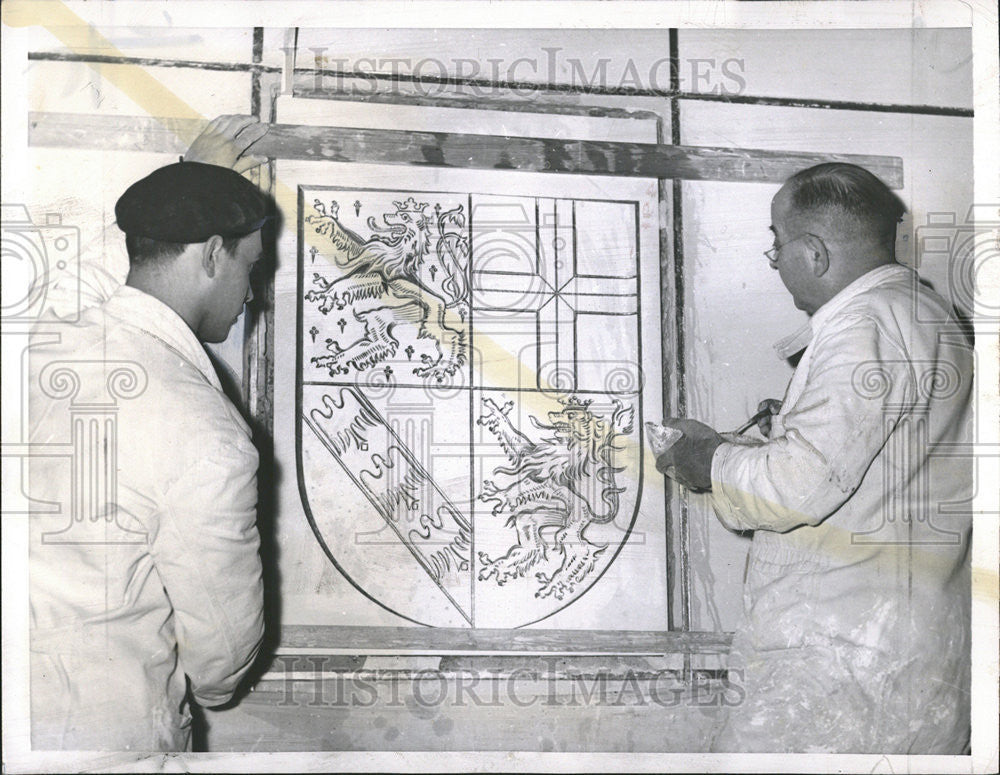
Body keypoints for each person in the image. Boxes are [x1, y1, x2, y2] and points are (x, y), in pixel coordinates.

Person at [656, 163, 973, 754]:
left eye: (777, 245)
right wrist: (771, 441)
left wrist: (707, 459)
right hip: (904, 646)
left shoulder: (861, 327)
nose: (775, 261)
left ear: (815, 253)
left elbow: (794, 487)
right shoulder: (929, 315)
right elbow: (877, 468)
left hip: (842, 659)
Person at [28, 117, 272, 750]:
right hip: (106, 743)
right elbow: (220, 666)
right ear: (215, 254)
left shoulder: (37, 353)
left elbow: (147, 261)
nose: (254, 296)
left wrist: (190, 182)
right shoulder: (204, 432)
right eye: (252, 266)